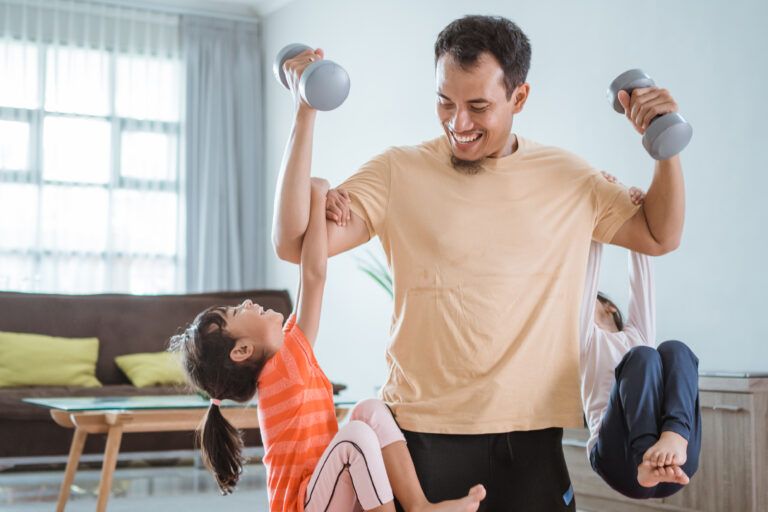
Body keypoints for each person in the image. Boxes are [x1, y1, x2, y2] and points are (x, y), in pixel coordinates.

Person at [271, 15, 686, 511]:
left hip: (532, 440)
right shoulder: (397, 171)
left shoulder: (570, 179)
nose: (457, 123)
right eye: (445, 102)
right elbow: (295, 241)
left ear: (520, 98)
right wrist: (304, 112)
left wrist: (664, 150)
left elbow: (659, 235)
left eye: (478, 106)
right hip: (424, 438)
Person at [170, 178, 486, 512]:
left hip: (324, 491)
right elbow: (313, 277)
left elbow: (308, 279)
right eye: (237, 311)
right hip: (305, 505)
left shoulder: (284, 357)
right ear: (242, 350)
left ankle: (420, 506)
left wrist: (319, 206)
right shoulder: (283, 369)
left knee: (368, 410)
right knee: (356, 439)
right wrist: (317, 192)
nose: (248, 302)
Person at [579, 187, 701, 500]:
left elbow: (642, 279)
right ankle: (648, 451)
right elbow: (586, 275)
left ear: (611, 308)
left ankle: (674, 434)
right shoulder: (585, 342)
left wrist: (637, 215)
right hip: (621, 461)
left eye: (591, 298)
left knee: (673, 349)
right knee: (643, 357)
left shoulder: (637, 334)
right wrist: (596, 218)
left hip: (676, 462)